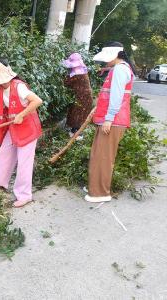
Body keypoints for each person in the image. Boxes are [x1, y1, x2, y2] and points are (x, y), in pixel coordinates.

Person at [0, 59, 43, 208]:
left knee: (24, 162)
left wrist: (22, 114)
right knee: (4, 153)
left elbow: (37, 101)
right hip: (13, 127)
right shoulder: (0, 89)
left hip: (27, 129)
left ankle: (24, 195)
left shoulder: (18, 87)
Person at [85, 41, 135, 203]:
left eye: (107, 58)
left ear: (116, 55)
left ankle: (100, 193)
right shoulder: (119, 69)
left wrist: (109, 118)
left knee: (103, 157)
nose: (105, 61)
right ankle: (95, 186)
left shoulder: (120, 70)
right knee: (99, 155)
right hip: (111, 120)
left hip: (113, 121)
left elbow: (116, 96)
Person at [62, 52, 93, 138]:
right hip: (84, 95)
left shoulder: (77, 73)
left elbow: (66, 83)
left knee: (78, 113)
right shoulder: (82, 70)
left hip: (82, 96)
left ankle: (76, 134)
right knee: (79, 113)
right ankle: (76, 132)